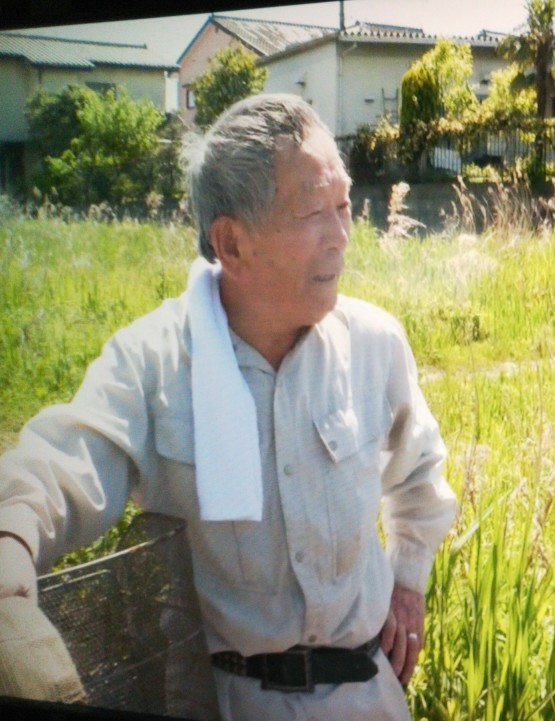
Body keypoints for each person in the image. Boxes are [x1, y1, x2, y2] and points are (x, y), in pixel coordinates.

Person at [0, 93, 457, 721]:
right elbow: (66, 461)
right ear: (232, 243)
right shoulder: (156, 360)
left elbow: (418, 474)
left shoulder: (374, 343)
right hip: (231, 701)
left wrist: (409, 579)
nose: (342, 235)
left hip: (368, 694)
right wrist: (11, 534)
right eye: (313, 212)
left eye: (344, 205)